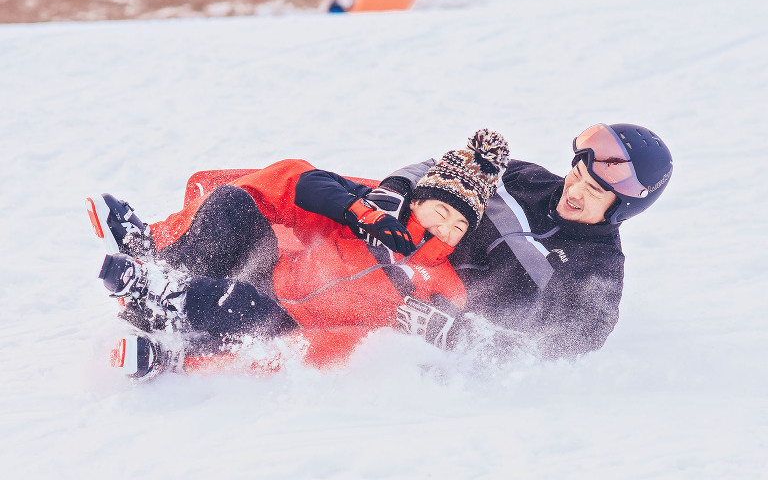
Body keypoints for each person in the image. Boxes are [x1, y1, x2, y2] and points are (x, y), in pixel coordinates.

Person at [89, 130, 510, 380]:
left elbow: (466, 338)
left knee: (233, 303)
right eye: (442, 212)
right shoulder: (374, 208)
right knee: (233, 203)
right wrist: (357, 213)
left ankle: (162, 320)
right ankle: (152, 263)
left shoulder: (441, 281)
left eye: (459, 227)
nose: (446, 230)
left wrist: (441, 327)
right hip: (272, 269)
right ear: (418, 201)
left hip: (284, 319)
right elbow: (296, 179)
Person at [296, 123, 674, 359]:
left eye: (593, 190)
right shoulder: (525, 179)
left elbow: (567, 347)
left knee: (297, 318)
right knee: (292, 187)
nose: (573, 190)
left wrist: (458, 333)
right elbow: (438, 170)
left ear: (621, 208)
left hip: (411, 309)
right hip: (391, 248)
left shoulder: (595, 270)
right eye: (576, 174)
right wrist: (394, 190)